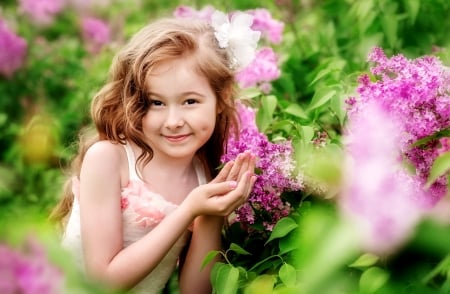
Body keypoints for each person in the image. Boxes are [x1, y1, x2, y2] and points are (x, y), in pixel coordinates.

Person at [50, 11, 259, 294]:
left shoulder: (201, 175)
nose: (173, 121)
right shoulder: (109, 159)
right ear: (135, 102)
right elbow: (103, 283)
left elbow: (195, 290)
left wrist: (209, 215)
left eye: (189, 101)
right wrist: (188, 211)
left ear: (220, 99)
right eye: (156, 103)